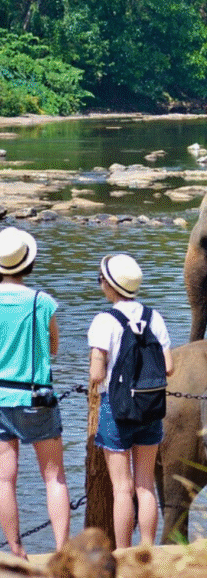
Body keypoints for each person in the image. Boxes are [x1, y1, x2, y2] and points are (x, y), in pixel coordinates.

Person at [88, 253, 174, 548]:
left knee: (122, 489)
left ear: (110, 287)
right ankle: (149, 548)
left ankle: (123, 552)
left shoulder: (105, 320)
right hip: (151, 407)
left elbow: (97, 374)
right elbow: (169, 367)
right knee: (145, 485)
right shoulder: (155, 316)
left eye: (101, 280)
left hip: (118, 409)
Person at [0, 227, 70, 559]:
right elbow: (54, 347)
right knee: (54, 478)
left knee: (4, 480)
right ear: (28, 264)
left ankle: (16, 550)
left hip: (0, 398)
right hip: (36, 398)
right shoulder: (43, 302)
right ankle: (61, 551)